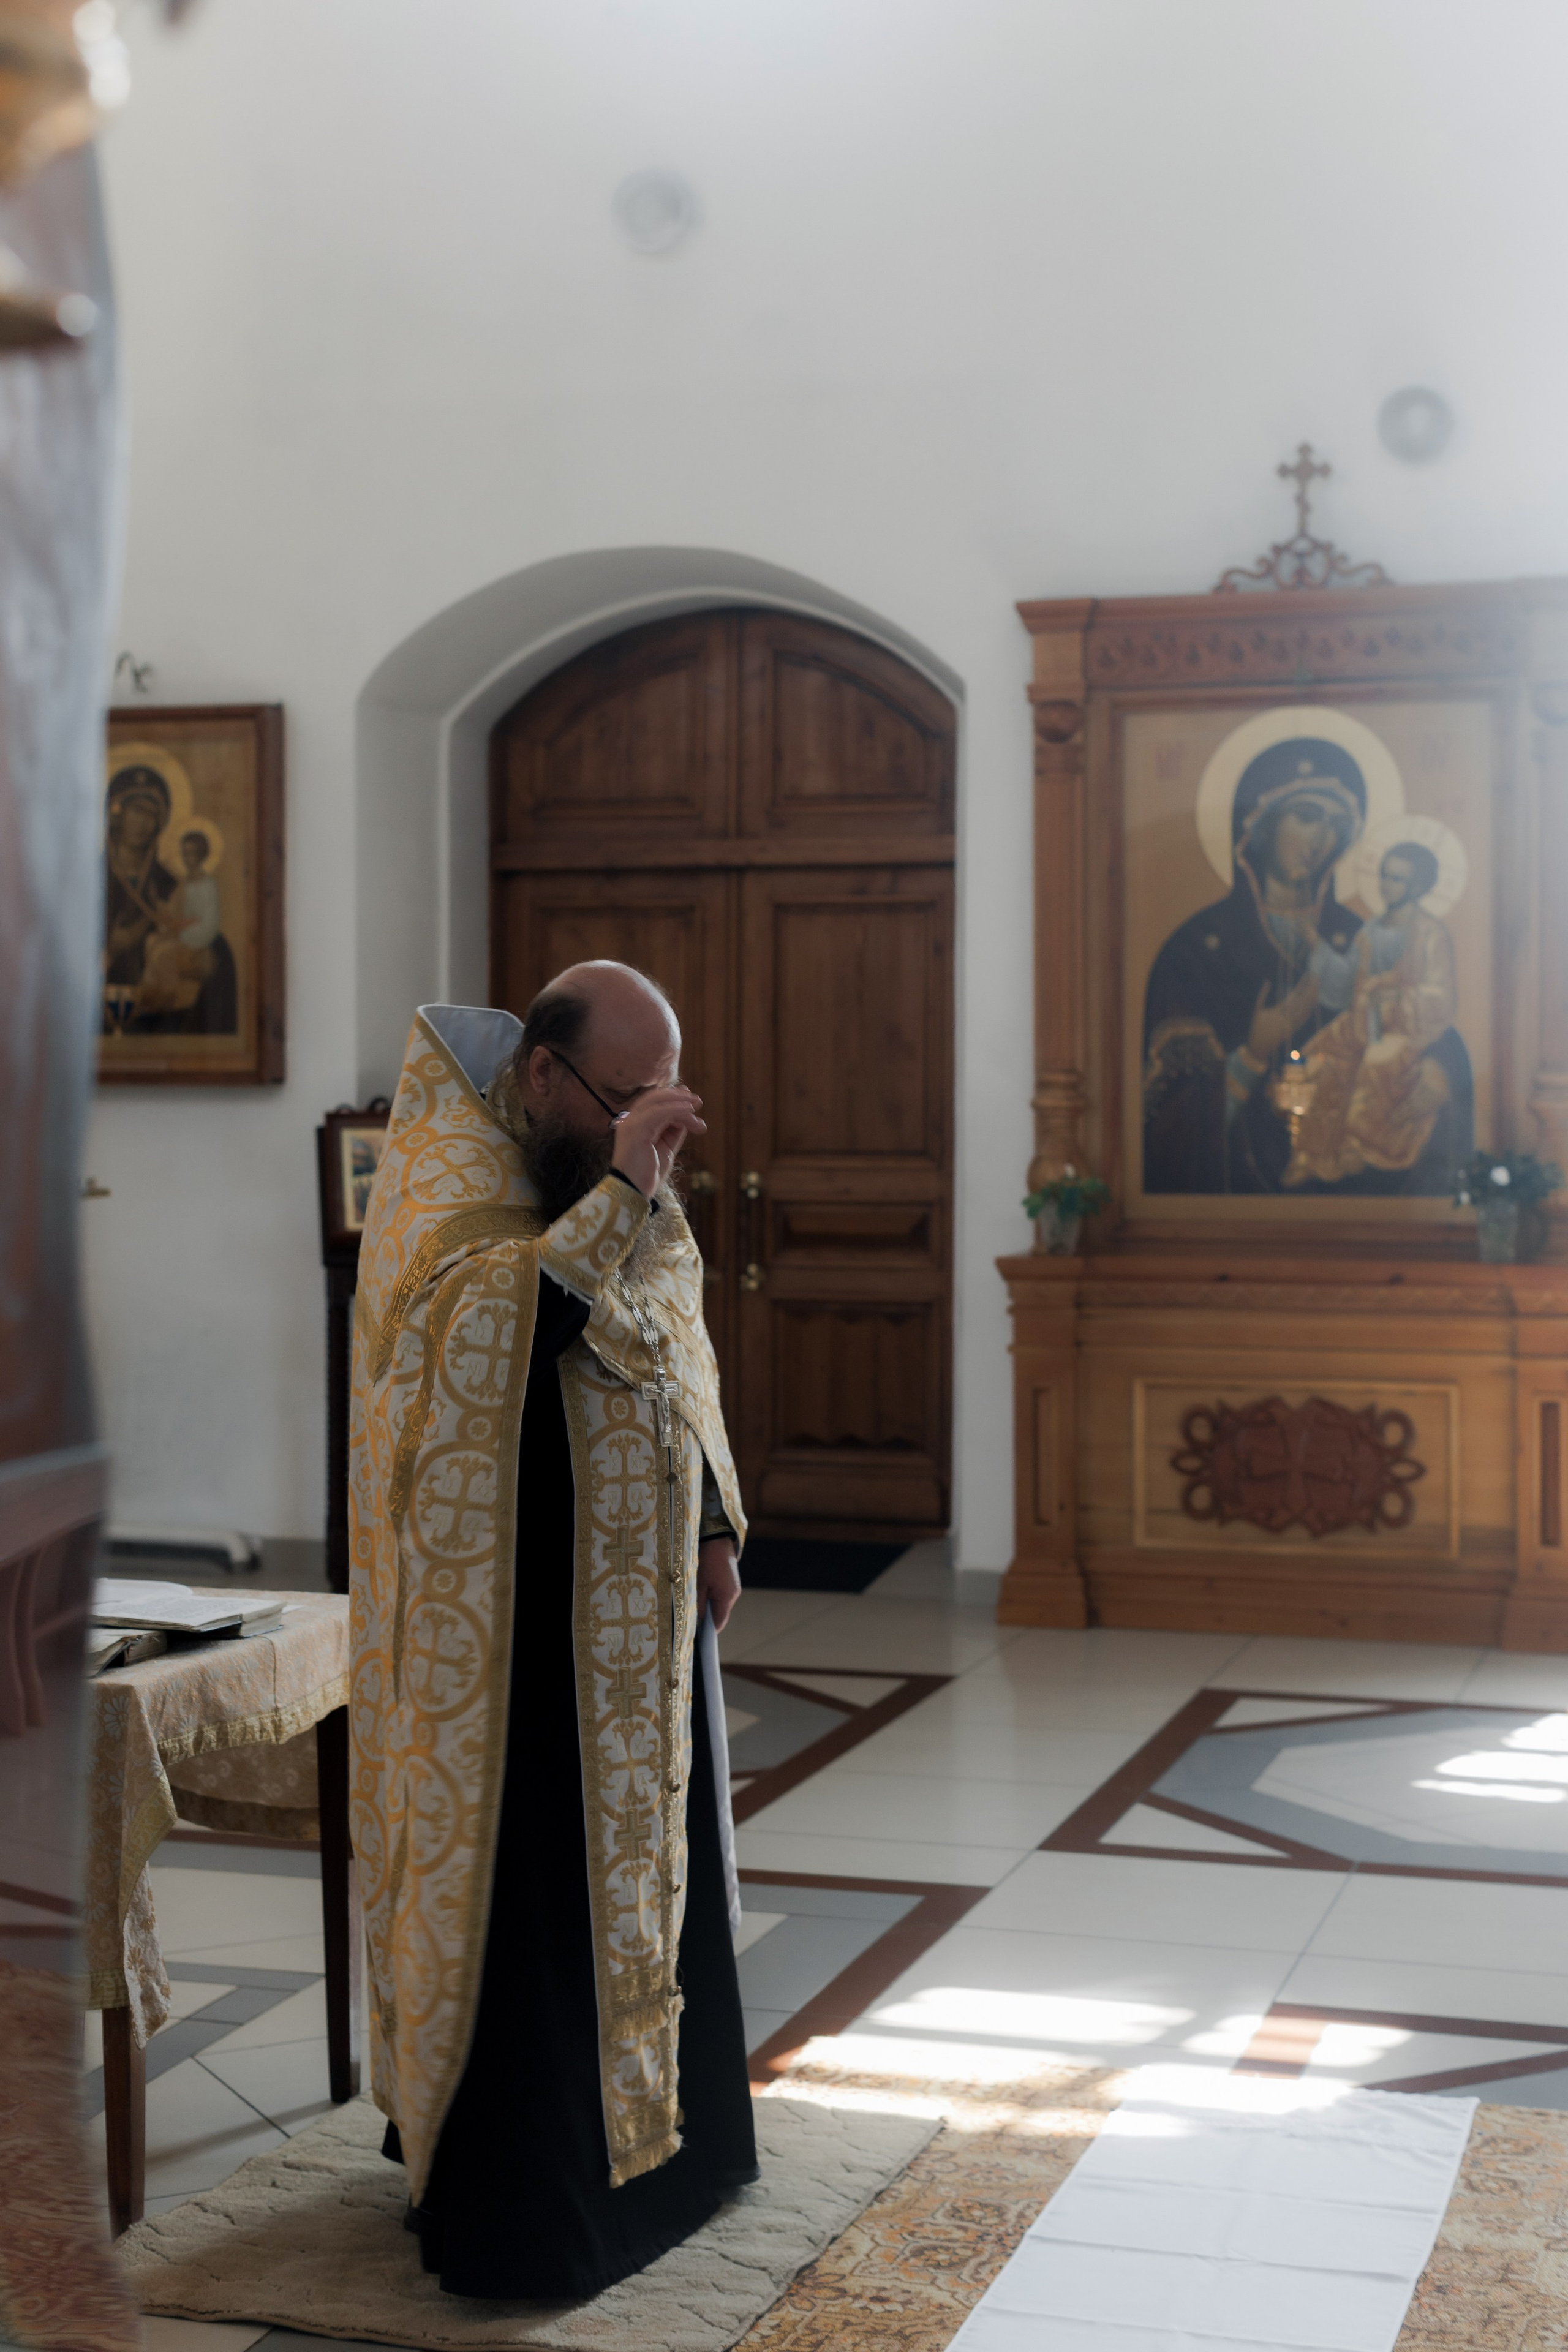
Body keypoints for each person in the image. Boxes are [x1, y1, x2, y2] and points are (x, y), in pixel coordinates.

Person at [349, 961, 756, 2301]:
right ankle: (533, 2212)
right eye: (629, 1094)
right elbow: (482, 1348)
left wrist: (708, 1518)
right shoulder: (448, 1194)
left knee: (657, 1884)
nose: (656, 1118)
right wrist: (626, 1193)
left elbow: (671, 1329)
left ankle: (673, 2165)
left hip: (638, 1626)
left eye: (666, 1092)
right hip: (518, 1652)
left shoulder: (612, 1184)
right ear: (543, 1075)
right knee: (534, 1914)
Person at [1141, 736, 1447, 1196]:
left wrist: (1441, 1073)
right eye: (1305, 817)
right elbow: (1168, 1129)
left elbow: (1432, 1016)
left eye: (1337, 824)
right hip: (1241, 1196)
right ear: (1259, 826)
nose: (1321, 839)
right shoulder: (1196, 951)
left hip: (1356, 1183)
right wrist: (1251, 1057)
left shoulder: (1363, 935)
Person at [1282, 839, 1472, 1188]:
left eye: (1397, 879)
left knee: (1373, 1068)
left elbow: (1440, 998)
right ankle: (1312, 1155)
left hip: (1404, 1032)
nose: (1387, 885)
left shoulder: (1431, 934)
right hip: (1358, 1025)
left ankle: (1357, 1151)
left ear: (1417, 886)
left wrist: (1392, 996)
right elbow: (1344, 986)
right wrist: (1316, 946)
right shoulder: (1371, 930)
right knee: (1314, 1065)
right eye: (1384, 876)